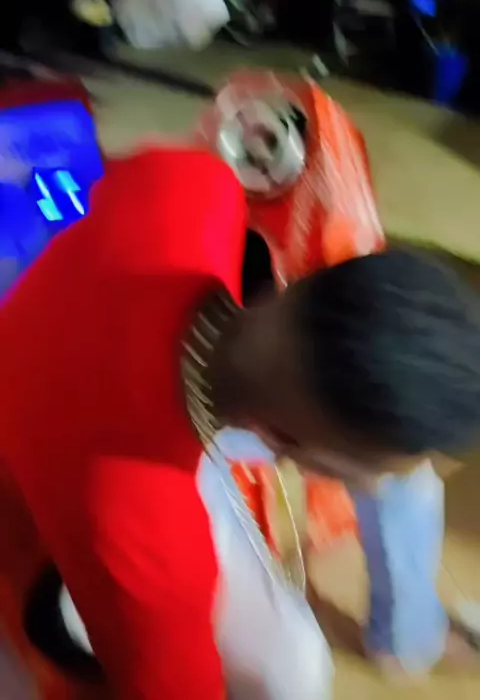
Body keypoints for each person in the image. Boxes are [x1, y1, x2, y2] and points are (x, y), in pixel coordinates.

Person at [2, 143, 480, 700]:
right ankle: (405, 639)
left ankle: (406, 639)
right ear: (284, 447)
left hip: (57, 342)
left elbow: (105, 192)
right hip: (59, 463)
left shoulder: (198, 185)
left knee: (407, 463)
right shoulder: (152, 550)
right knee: (294, 674)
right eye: (361, 471)